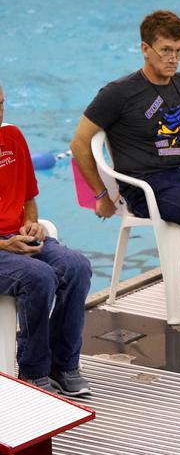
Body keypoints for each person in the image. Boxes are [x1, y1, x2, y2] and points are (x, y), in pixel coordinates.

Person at [70, 10, 180, 294]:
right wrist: (101, 195)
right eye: (166, 50)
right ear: (145, 49)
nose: (173, 58)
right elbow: (79, 143)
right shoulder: (119, 92)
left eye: (179, 51)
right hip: (149, 185)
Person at [0, 83, 91, 396]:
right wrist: (5, 245)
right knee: (39, 276)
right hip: (3, 247)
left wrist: (31, 224)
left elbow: (28, 197)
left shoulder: (12, 137)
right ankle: (33, 372)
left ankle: (63, 365)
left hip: (18, 238)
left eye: (1, 104)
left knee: (76, 266)